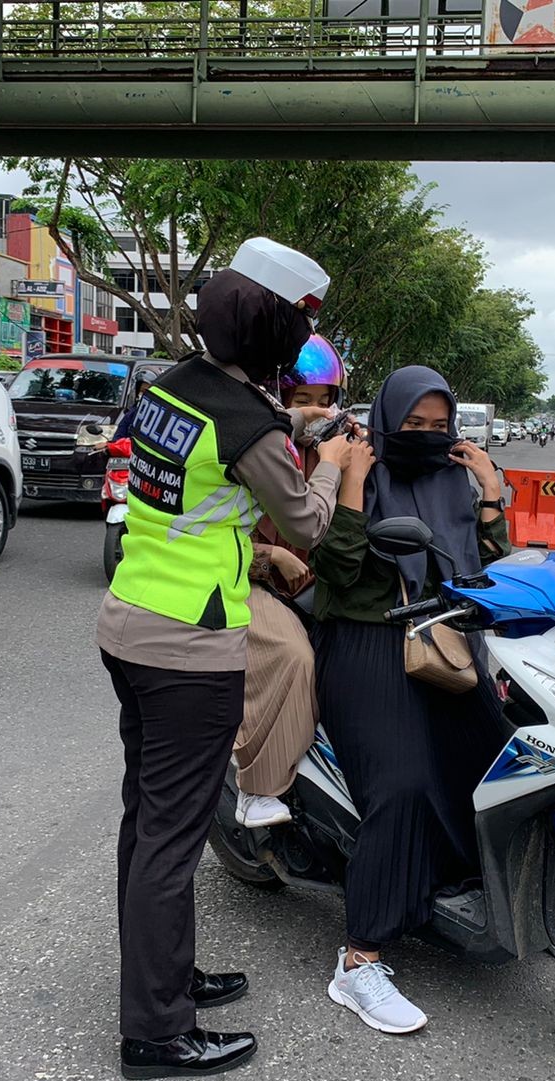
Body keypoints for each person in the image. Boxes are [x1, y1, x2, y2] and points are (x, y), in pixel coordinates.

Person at [98, 237, 370, 1079]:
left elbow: (220, 442)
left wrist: (294, 429)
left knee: (147, 824)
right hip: (190, 647)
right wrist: (328, 464)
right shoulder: (251, 423)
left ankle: (165, 977)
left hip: (131, 621)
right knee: (170, 842)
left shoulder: (171, 384)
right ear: (275, 331)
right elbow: (309, 528)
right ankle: (155, 1030)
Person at [310, 365, 511, 1035]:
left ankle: (458, 879)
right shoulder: (357, 468)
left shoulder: (455, 476)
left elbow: (487, 564)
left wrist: (489, 488)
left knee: (499, 753)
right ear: (386, 420)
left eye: (437, 426)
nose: (425, 437)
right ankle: (359, 958)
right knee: (400, 783)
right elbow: (335, 572)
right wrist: (356, 485)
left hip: (441, 639)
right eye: (411, 425)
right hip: (365, 642)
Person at [232, 334, 357, 829]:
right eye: (302, 402)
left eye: (325, 402)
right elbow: (219, 540)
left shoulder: (344, 448)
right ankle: (257, 786)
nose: (317, 413)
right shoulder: (258, 450)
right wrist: (272, 556)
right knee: (292, 655)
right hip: (248, 583)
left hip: (313, 591)